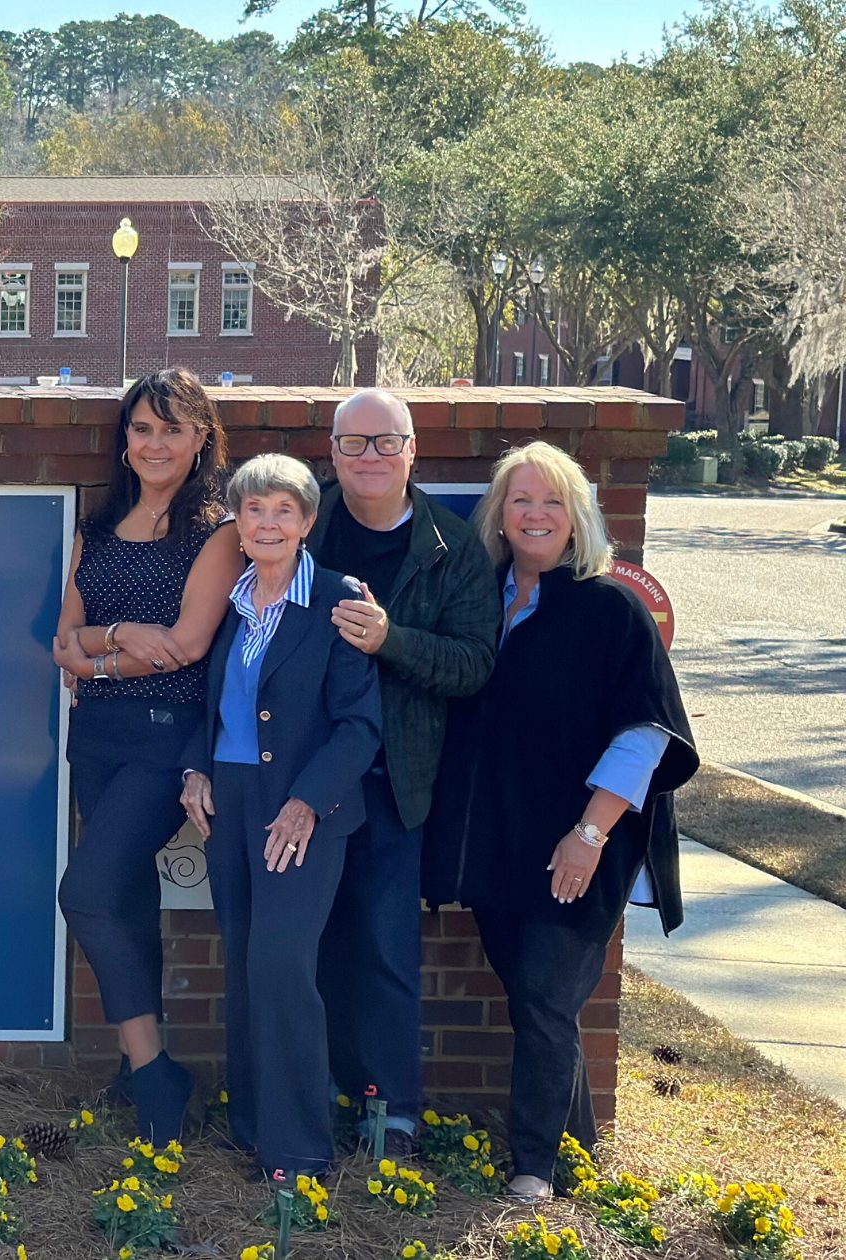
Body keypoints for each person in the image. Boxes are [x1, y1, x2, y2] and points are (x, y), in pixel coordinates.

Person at [425, 441, 696, 1200]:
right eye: (520, 501)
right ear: (500, 518)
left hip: (579, 844)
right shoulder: (484, 600)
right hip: (498, 843)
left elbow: (644, 733)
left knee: (545, 998)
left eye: (551, 502)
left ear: (576, 519)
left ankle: (534, 1168)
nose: (535, 514)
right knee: (535, 1000)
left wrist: (588, 835)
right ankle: (576, 1150)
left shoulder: (610, 608)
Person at [50, 367, 244, 1141]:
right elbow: (61, 643)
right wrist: (122, 639)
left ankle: (158, 1077)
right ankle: (143, 1072)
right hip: (95, 737)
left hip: (166, 739)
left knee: (88, 894)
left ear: (201, 439)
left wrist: (95, 652)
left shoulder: (216, 531)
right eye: (141, 428)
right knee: (126, 903)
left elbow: (190, 649)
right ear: (123, 441)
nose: (154, 442)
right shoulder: (95, 528)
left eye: (172, 428)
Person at [306, 388, 499, 1154]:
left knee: (385, 949)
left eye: (386, 442)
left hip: (395, 782)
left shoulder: (452, 550)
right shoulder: (299, 525)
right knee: (308, 943)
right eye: (354, 444)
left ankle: (391, 1110)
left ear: (413, 450)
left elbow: (475, 665)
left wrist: (392, 640)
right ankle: (311, 1090)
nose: (371, 458)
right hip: (306, 780)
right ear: (333, 454)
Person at [180, 453, 381, 1178]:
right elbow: (210, 703)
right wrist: (196, 768)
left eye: (283, 511)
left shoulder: (338, 599)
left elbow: (360, 725)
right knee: (242, 962)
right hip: (229, 801)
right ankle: (252, 1128)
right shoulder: (228, 600)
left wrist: (306, 801)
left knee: (282, 965)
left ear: (306, 523)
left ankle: (299, 1148)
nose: (267, 523)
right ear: (237, 521)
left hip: (302, 807)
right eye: (254, 510)